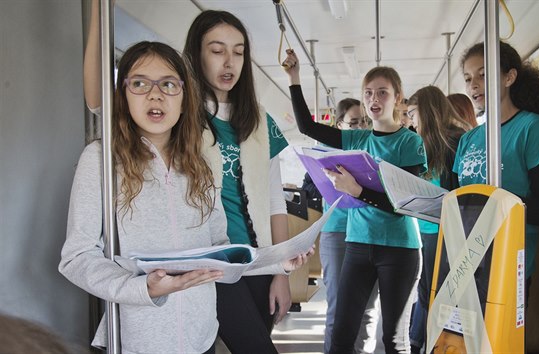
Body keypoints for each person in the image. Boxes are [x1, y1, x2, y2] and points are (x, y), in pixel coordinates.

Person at [60, 39, 310, 353]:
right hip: (138, 339)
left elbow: (220, 252)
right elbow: (77, 256)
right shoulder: (102, 159)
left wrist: (277, 264)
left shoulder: (201, 164)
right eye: (139, 83)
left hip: (200, 335)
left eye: (168, 84)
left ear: (184, 98)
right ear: (122, 95)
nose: (155, 94)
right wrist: (141, 288)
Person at [283, 49, 426, 354]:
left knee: (393, 340)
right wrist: (295, 79)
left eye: (383, 92)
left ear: (397, 98)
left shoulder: (409, 142)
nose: (375, 98)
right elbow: (308, 128)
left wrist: (358, 191)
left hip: (399, 250)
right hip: (358, 246)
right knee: (342, 335)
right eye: (369, 93)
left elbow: (403, 203)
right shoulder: (357, 139)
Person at [183, 10, 294, 354]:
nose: (229, 62)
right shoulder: (181, 116)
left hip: (257, 261)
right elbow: (99, 106)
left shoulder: (260, 120)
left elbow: (276, 203)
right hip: (209, 263)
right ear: (197, 55)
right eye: (217, 51)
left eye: (239, 51)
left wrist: (282, 273)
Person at [454, 40, 539, 295]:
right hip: (466, 260)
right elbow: (454, 199)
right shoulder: (469, 138)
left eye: (483, 74)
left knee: (500, 336)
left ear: (509, 77)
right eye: (468, 79)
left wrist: (491, 204)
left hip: (509, 260)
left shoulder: (533, 128)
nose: (473, 85)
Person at [405, 86, 472, 354]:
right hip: (423, 225)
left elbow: (460, 191)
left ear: (426, 111)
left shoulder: (455, 141)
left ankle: (424, 342)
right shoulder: (421, 143)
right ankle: (421, 341)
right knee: (426, 290)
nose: (411, 120)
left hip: (443, 229)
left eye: (413, 113)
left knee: (436, 292)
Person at [314, 98, 381, 354]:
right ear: (339, 124)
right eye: (354, 123)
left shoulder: (371, 147)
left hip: (367, 231)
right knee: (338, 307)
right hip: (339, 230)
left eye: (364, 121)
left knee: (366, 308)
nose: (361, 127)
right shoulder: (326, 152)